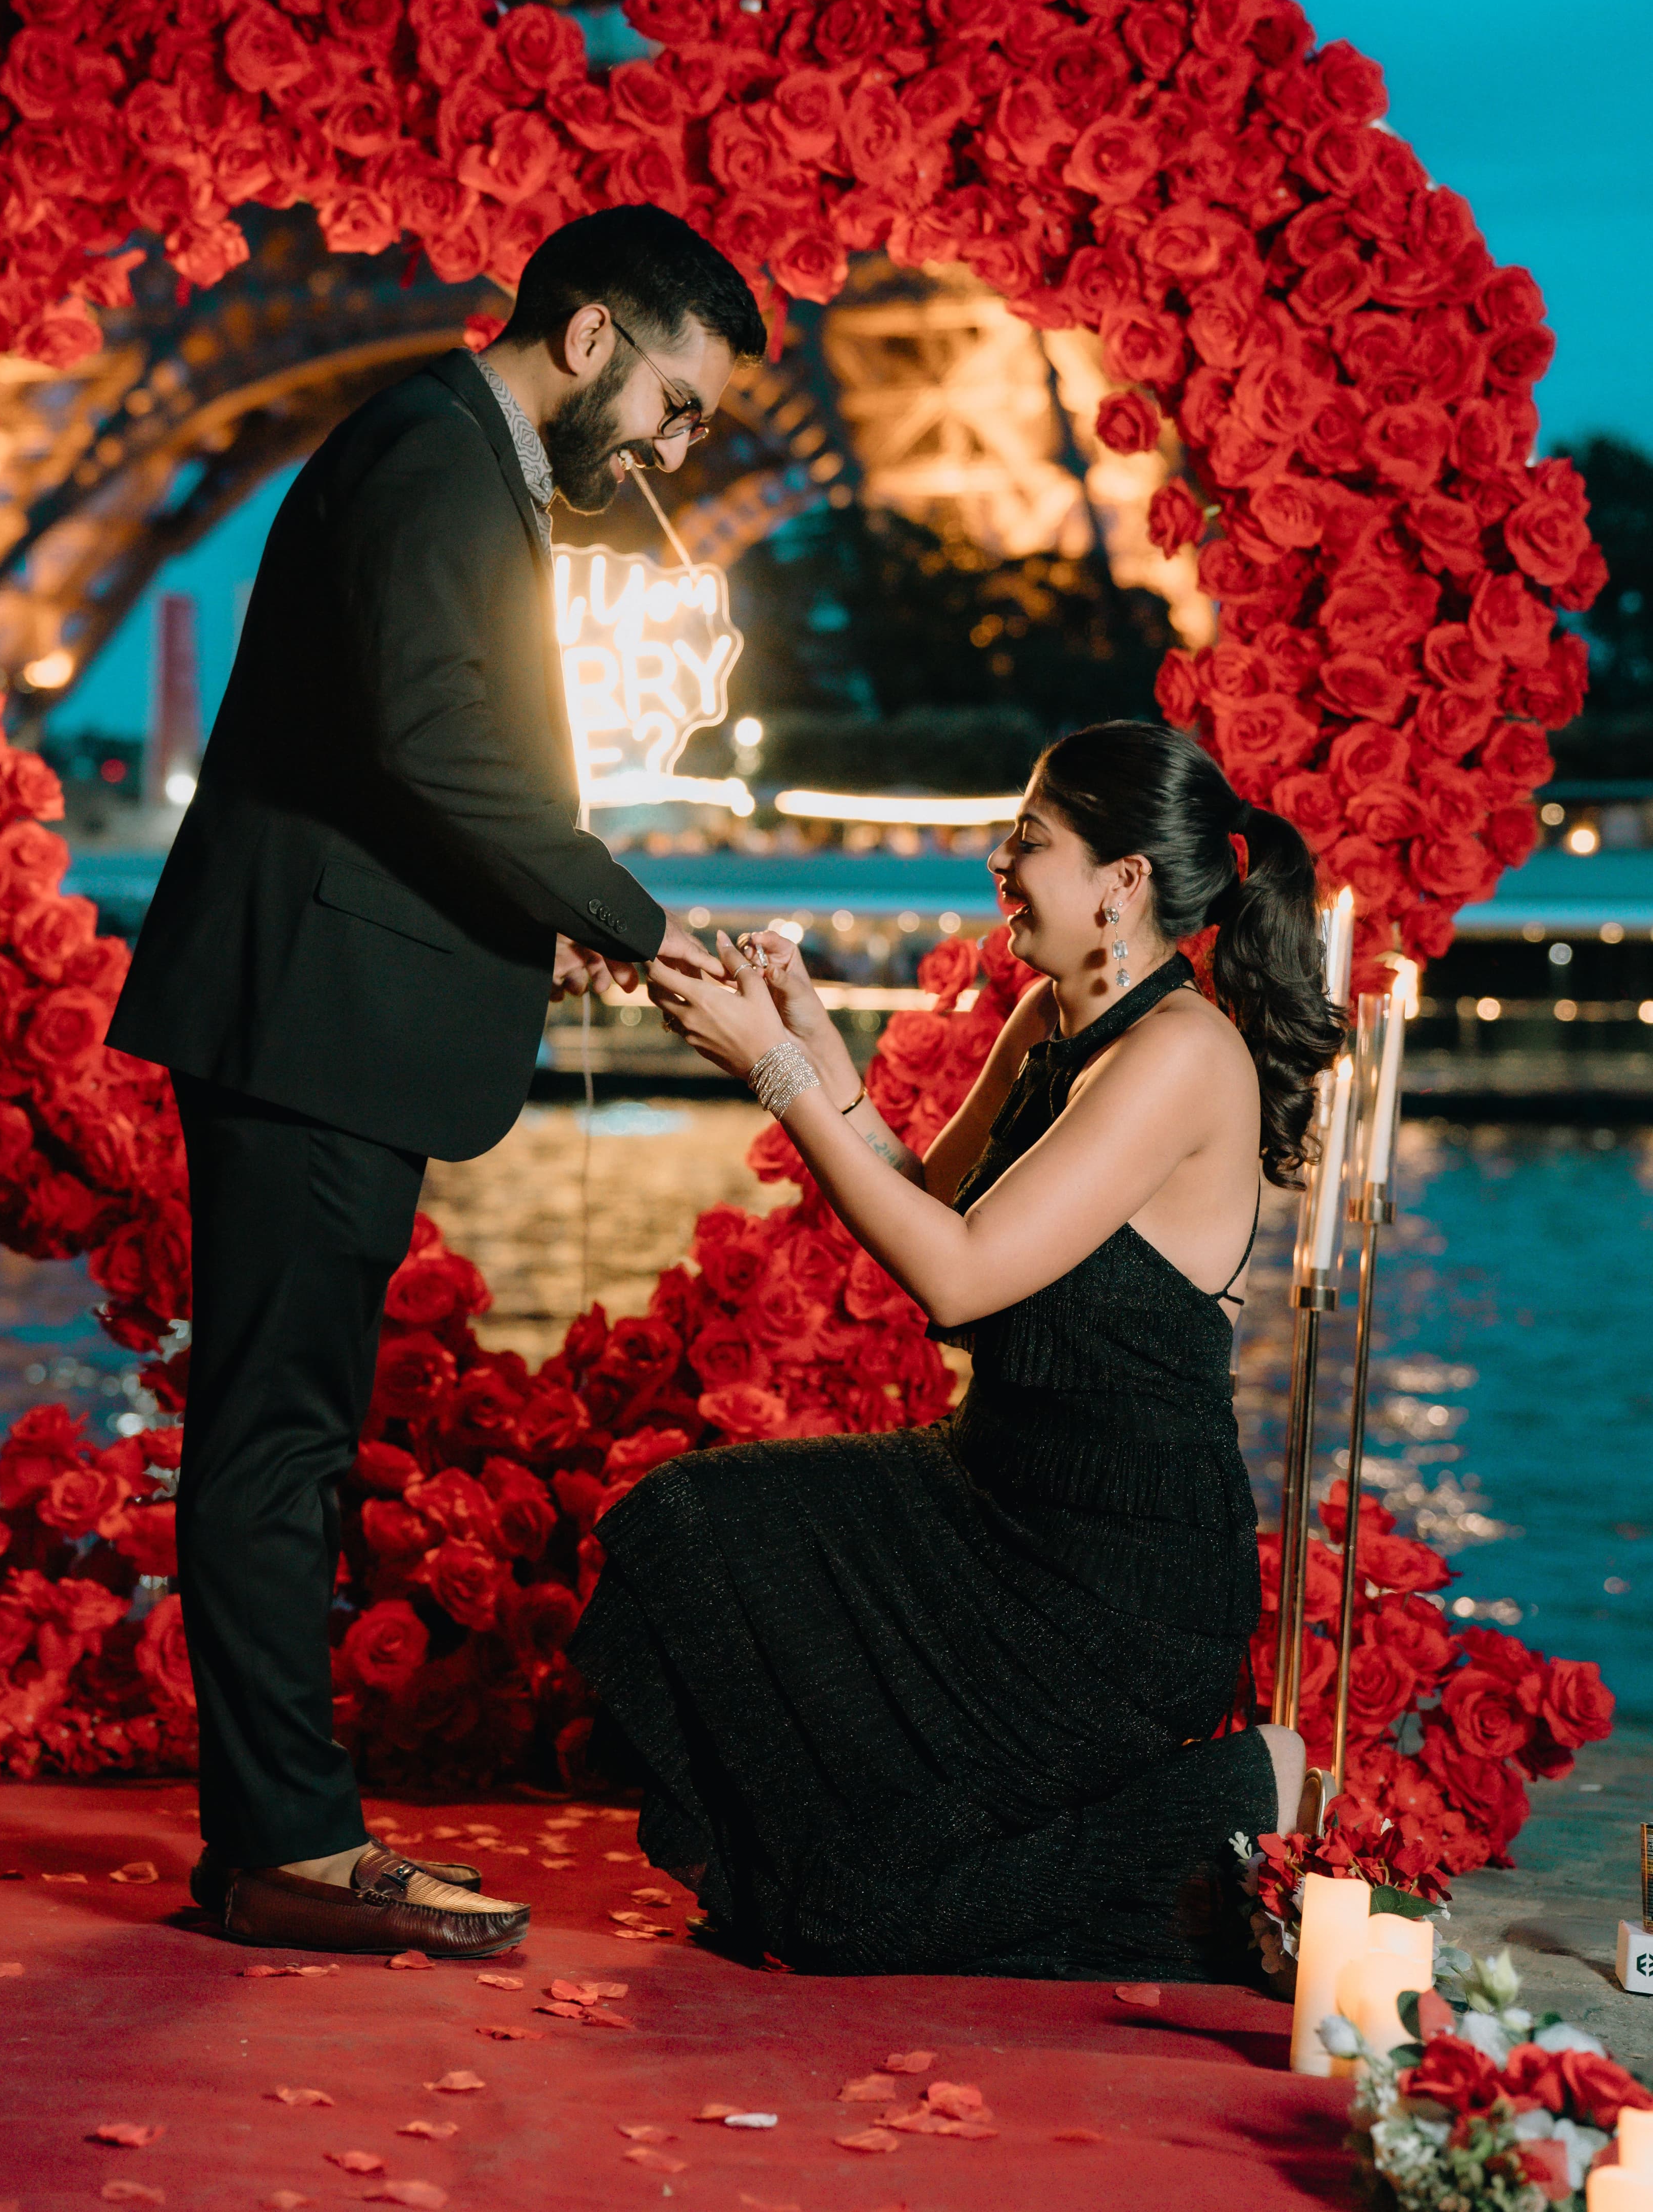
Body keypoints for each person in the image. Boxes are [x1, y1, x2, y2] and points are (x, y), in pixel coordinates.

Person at [109, 204, 768, 1955]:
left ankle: (280, 1837)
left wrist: (541, 914)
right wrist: (633, 919)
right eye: (678, 404)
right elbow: (435, 739)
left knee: (287, 1430)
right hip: (314, 1019)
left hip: (329, 1010)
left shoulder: (457, 454)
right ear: (591, 332)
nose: (676, 452)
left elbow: (401, 742)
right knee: (278, 1435)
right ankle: (288, 1847)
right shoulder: (430, 451)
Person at [571, 719, 1343, 1978]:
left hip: (1116, 1576)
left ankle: (1226, 1795)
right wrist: (811, 1037)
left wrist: (774, 1071)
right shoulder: (1051, 1015)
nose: (1000, 864)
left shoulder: (1183, 1053)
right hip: (988, 1491)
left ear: (1122, 881)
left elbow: (959, 1274)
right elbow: (933, 1201)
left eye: (1030, 840)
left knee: (860, 1912)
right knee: (684, 1526)